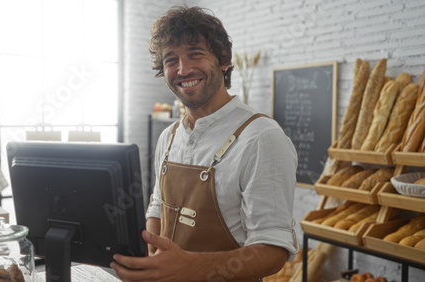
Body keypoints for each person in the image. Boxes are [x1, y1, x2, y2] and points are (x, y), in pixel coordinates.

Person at [110, 6, 298, 281]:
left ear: (223, 60)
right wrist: (154, 261)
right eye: (171, 60)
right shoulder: (169, 136)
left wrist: (188, 268)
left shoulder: (261, 137)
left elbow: (273, 250)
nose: (183, 69)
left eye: (195, 54)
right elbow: (157, 208)